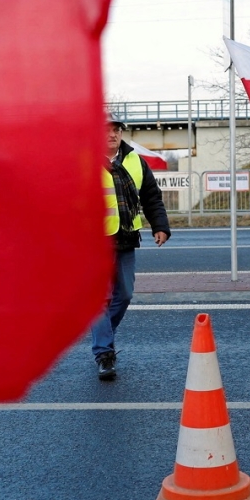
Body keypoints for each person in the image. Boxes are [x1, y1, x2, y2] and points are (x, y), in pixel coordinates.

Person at [94, 117, 170, 380]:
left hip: (126, 238)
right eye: (106, 130)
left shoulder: (136, 161)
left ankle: (103, 335)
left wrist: (160, 226)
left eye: (116, 130)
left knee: (124, 295)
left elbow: (151, 197)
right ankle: (104, 353)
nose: (111, 134)